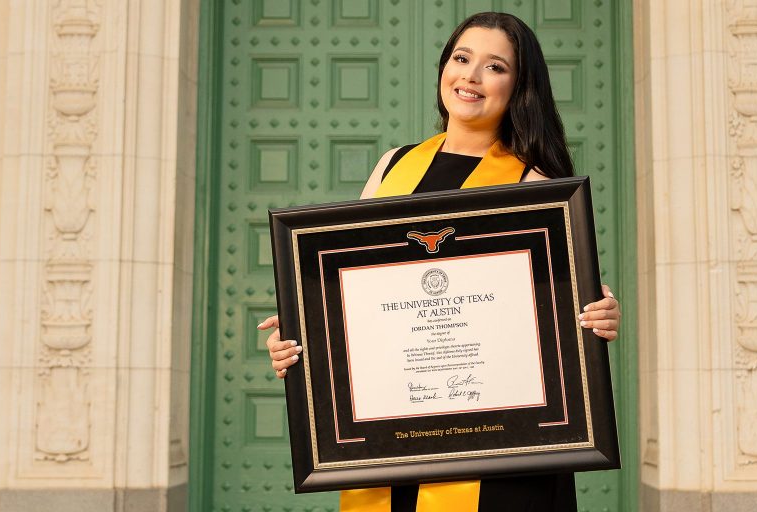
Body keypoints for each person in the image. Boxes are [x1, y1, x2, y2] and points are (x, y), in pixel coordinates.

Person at [257, 12, 621, 512]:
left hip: (495, 446)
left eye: (495, 67)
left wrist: (595, 315)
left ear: (519, 87)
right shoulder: (393, 166)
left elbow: (561, 320)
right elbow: (354, 294)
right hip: (393, 433)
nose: (471, 76)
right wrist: (303, 336)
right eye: (461, 58)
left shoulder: (533, 185)